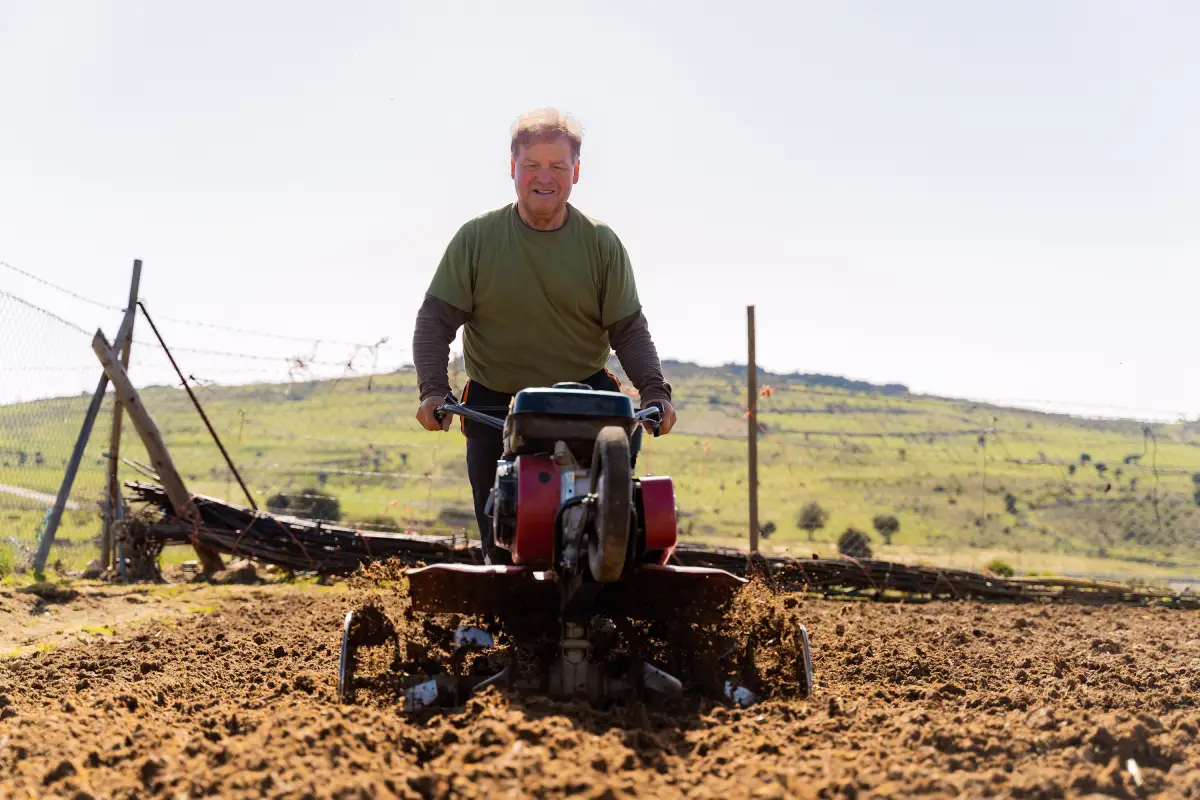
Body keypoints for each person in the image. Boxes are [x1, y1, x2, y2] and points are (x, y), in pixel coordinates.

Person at [411, 107, 676, 562]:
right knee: (501, 525)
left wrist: (656, 392)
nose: (543, 177)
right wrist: (434, 391)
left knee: (621, 516)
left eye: (557, 165)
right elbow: (434, 323)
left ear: (576, 171)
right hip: (496, 400)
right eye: (532, 164)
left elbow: (629, 330)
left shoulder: (600, 244)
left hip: (585, 396)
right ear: (512, 168)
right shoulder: (477, 239)